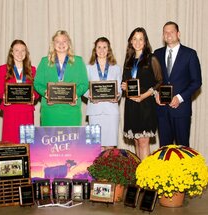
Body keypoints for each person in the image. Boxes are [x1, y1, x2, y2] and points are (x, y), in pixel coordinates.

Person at [154, 21, 202, 147]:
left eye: (171, 31)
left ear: (178, 34)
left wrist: (179, 98)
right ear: (163, 35)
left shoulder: (190, 54)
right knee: (164, 150)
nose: (168, 34)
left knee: (183, 149)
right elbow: (154, 80)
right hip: (162, 110)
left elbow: (196, 81)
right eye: (165, 32)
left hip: (181, 110)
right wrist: (156, 94)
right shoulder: (157, 54)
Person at [121, 27, 163, 160]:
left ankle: (145, 179)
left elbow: (159, 81)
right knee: (137, 141)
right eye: (135, 39)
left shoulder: (152, 58)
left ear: (145, 42)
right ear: (131, 42)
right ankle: (140, 175)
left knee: (144, 142)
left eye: (141, 39)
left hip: (146, 105)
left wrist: (144, 95)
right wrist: (124, 86)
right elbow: (125, 81)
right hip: (131, 105)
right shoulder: (128, 60)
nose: (137, 42)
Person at [34, 30, 88, 126]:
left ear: (69, 43)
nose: (61, 44)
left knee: (71, 140)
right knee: (49, 140)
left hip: (71, 111)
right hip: (50, 111)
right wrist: (45, 93)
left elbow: (84, 83)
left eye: (64, 41)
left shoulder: (78, 61)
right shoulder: (44, 61)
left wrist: (76, 94)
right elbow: (37, 83)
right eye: (57, 41)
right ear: (53, 44)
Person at [0, 40, 39, 143]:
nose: (20, 53)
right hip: (11, 110)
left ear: (26, 53)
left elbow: (36, 90)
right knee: (10, 141)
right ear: (12, 52)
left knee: (27, 142)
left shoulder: (32, 70)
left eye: (23, 51)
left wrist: (34, 95)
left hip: (27, 111)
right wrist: (5, 96)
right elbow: (0, 90)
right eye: (17, 50)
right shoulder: (3, 69)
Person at [85, 37, 122, 151]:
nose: (101, 50)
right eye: (99, 47)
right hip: (94, 111)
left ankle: (109, 169)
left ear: (108, 49)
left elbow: (119, 89)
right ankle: (96, 169)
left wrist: (117, 96)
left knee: (110, 147)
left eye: (104, 47)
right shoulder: (87, 68)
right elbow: (83, 88)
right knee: (95, 146)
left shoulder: (116, 68)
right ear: (95, 50)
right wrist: (89, 96)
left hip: (111, 111)